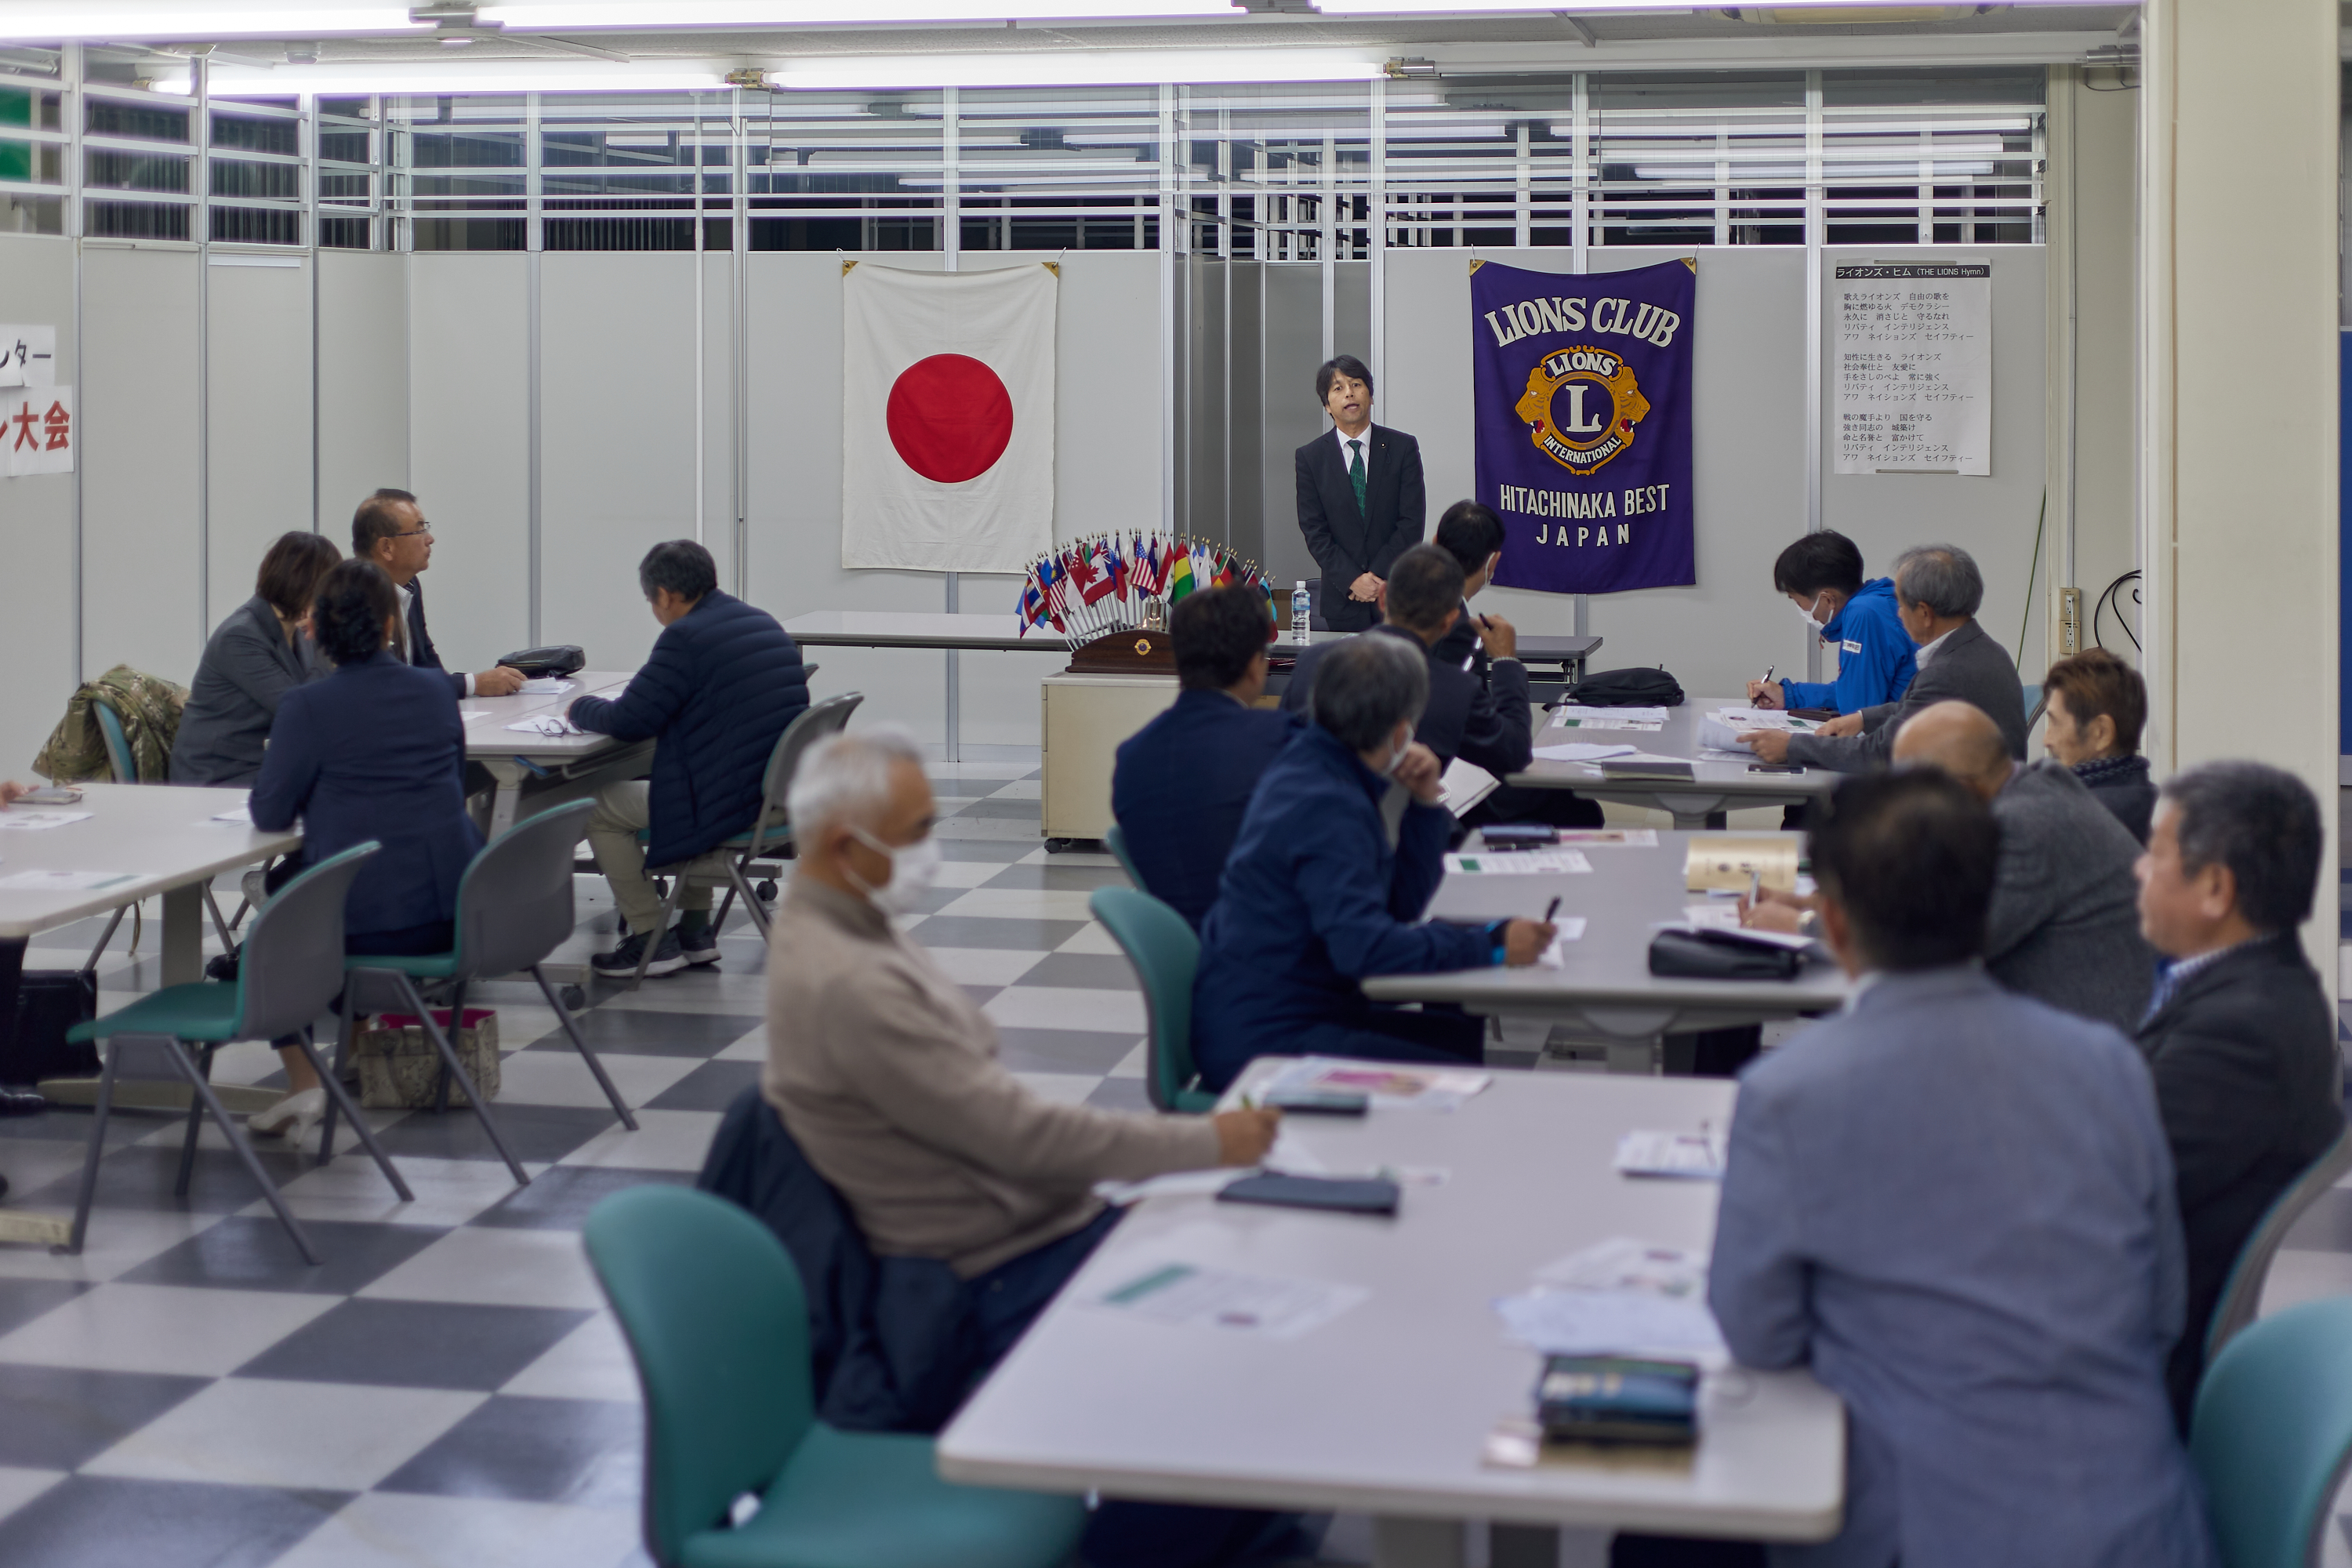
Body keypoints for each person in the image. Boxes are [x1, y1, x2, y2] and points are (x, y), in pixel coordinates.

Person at [1708, 769, 2216, 1568]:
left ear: (1832, 924)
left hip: (1932, 1528)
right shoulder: (2110, 1064)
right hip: (2139, 1522)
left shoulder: (1787, 1094)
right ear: (1989, 906)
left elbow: (1757, 1332)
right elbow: (2160, 1310)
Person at [765, 725, 1279, 1335]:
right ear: (846, 847)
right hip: (994, 1271)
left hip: (1028, 1225)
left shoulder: (850, 919)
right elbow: (1022, 1138)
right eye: (918, 832)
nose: (931, 851)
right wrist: (1212, 1144)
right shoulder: (850, 983)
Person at [1194, 633, 1555, 1092]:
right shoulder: (1327, 805)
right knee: (1468, 1080)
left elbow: (1398, 908)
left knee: (1454, 1033)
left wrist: (1425, 805)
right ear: (1404, 732)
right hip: (1270, 1042)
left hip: (1282, 1007)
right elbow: (1365, 952)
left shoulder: (1318, 767)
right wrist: (1490, 945)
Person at [245, 560, 486, 1145]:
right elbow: (453, 786)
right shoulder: (434, 690)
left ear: (316, 631)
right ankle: (350, 1052)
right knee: (323, 896)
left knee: (274, 933)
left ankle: (303, 1083)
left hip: (374, 927)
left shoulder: (308, 707)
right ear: (388, 625)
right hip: (457, 914)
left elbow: (270, 814)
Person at [2134, 761, 2342, 1425]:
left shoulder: (2244, 1033)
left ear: (2215, 889)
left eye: (2155, 855)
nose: (2137, 870)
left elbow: (2107, 1188)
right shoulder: (2240, 987)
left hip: (2131, 1367)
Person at [569, 540, 808, 978]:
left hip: (733, 802)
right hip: (774, 794)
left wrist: (577, 707)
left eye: (651, 601)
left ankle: (649, 936)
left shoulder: (685, 636)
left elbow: (629, 720)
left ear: (664, 595)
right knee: (688, 777)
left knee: (597, 806)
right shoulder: (758, 620)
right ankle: (695, 931)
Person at [1890, 699, 2154, 1033]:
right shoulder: (2026, 794)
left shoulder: (2029, 826)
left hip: (2087, 1059)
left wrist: (1818, 921)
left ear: (1958, 789)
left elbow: (1933, 945)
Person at [1110, 586, 1299, 929]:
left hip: (1186, 952)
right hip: (1269, 951)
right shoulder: (1281, 740)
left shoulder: (1131, 757)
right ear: (1257, 667)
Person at [1740, 544, 2025, 771]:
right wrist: (1863, 719)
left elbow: (1881, 752)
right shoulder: (1982, 650)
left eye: (1901, 604)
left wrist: (1792, 747)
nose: (1897, 613)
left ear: (1924, 614)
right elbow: (1913, 708)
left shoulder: (1947, 671)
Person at [1280, 544, 1531, 783]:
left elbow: (1281, 748)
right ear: (1450, 621)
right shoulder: (1458, 690)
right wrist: (1506, 661)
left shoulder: (1312, 662)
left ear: (1383, 597)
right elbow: (1514, 752)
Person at [171, 532, 341, 786]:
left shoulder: (298, 629)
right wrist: (329, 644)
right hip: (219, 773)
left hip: (263, 764)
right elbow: (302, 711)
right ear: (305, 585)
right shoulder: (240, 637)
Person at [349, 488, 525, 700]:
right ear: (387, 547)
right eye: (419, 531)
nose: (430, 539)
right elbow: (386, 682)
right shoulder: (354, 598)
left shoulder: (410, 584)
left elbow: (426, 662)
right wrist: (474, 683)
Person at [1294, 354, 1425, 633]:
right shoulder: (1311, 457)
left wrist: (1375, 577)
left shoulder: (1402, 448)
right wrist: (1353, 579)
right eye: (1338, 388)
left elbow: (1411, 522)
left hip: (1394, 596)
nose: (1349, 393)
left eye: (1356, 384)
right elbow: (1314, 530)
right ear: (1327, 405)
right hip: (1343, 597)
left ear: (1371, 396)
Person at [1744, 530, 1915, 717]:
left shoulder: (1864, 614)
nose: (1800, 608)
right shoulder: (1879, 603)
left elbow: (1858, 713)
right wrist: (1789, 695)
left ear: (1827, 600)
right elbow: (1854, 689)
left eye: (1797, 600)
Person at [2042, 648, 2158, 843]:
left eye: (2055, 723)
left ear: (2101, 732)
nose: (2046, 740)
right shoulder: (2152, 802)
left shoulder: (2074, 824)